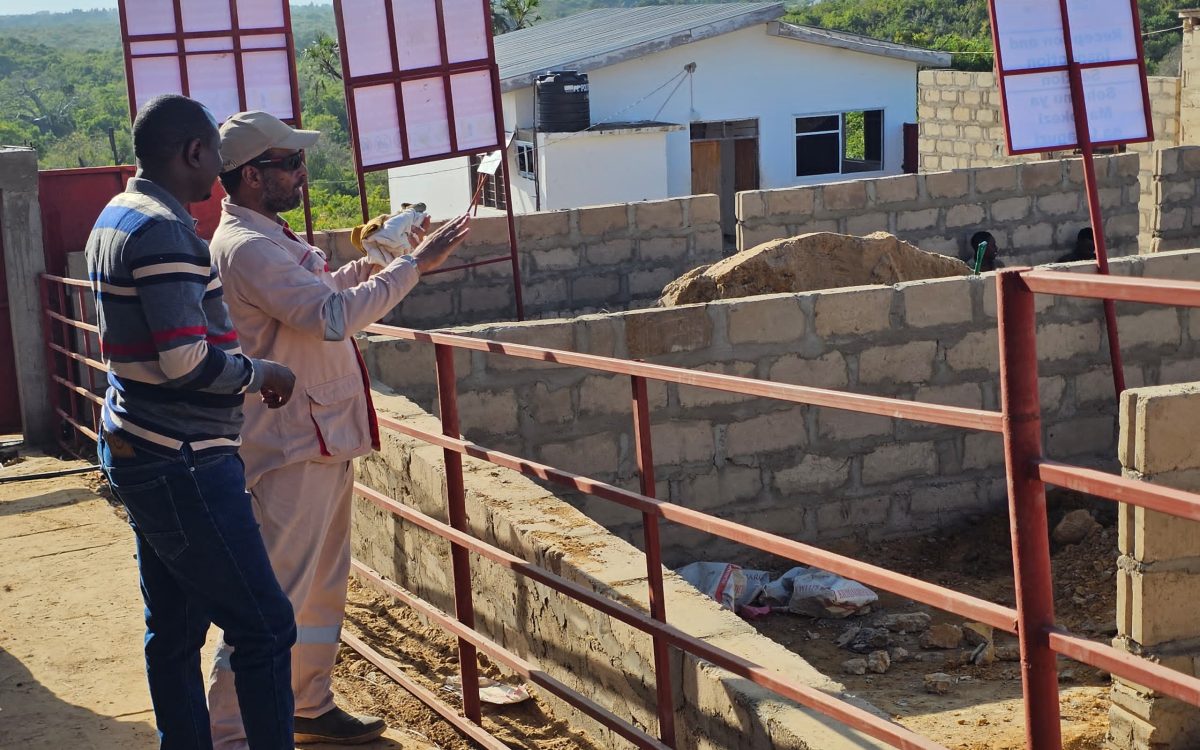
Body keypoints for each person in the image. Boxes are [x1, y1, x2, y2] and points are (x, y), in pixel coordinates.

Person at [205, 110, 470, 747]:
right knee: (275, 597)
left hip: (318, 434)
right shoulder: (248, 247)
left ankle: (307, 701)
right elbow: (331, 316)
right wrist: (414, 268)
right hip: (291, 441)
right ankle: (229, 731)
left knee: (321, 585)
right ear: (249, 176)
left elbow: (324, 291)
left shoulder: (270, 237)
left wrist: (393, 257)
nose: (301, 173)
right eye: (289, 164)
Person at [85, 94, 299, 749]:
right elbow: (185, 360)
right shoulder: (165, 232)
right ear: (192, 153)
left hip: (141, 444)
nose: (218, 168)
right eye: (213, 153)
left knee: (174, 632)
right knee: (265, 626)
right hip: (182, 459)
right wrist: (262, 375)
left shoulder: (118, 213)